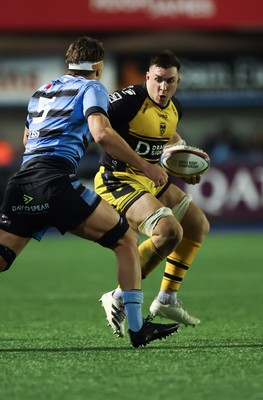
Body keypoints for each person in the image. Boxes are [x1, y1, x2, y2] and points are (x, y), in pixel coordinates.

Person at [0, 37, 179, 348]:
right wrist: (146, 166)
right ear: (98, 67)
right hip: (56, 183)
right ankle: (137, 329)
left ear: (69, 62)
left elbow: (28, 138)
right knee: (125, 240)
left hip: (22, 183)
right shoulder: (92, 87)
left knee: (2, 258)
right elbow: (101, 133)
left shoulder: (40, 92)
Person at [95, 50, 210, 338]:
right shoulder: (126, 101)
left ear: (177, 81)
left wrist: (184, 162)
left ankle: (166, 300)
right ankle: (119, 295)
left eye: (170, 81)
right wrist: (147, 166)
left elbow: (168, 135)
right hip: (117, 178)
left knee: (197, 225)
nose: (163, 88)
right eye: (157, 80)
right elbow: (98, 128)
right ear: (147, 76)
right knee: (169, 231)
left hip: (149, 179)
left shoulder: (175, 108)